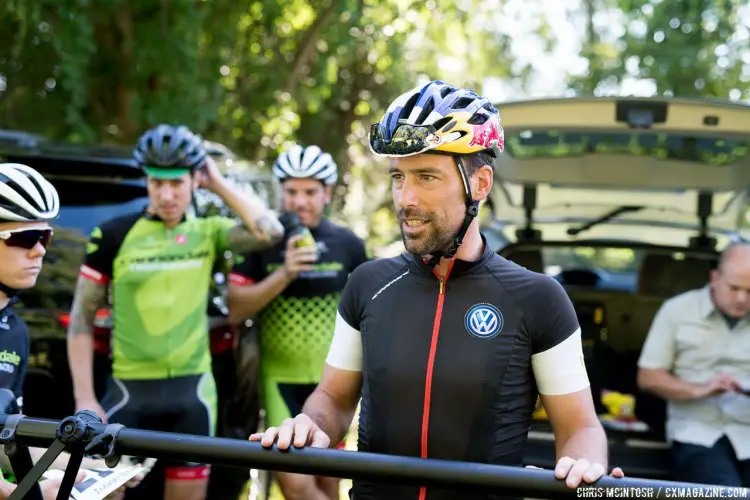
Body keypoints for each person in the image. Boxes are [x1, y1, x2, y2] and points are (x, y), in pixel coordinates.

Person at [250, 81, 625, 499]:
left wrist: (585, 466)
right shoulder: (368, 285)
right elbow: (334, 399)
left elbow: (580, 428)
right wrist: (311, 425)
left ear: (480, 184)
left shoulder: (539, 299)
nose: (405, 198)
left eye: (426, 177)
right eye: (398, 177)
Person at [67, 125, 284, 500]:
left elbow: (271, 232)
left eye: (177, 184)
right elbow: (82, 320)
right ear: (147, 182)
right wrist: (85, 398)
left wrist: (216, 181)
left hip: (193, 395)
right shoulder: (115, 234)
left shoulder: (208, 231)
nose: (167, 195)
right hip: (127, 393)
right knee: (106, 493)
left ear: (193, 181)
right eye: (156, 184)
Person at [228, 144, 368, 499]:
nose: (300, 201)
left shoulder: (348, 244)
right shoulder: (262, 243)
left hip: (335, 384)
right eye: (291, 191)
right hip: (279, 381)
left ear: (326, 194)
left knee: (328, 482)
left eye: (310, 191)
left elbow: (368, 311)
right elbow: (233, 309)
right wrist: (285, 274)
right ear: (280, 193)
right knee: (294, 484)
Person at [0, 162, 87, 499]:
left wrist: (91, 466)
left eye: (44, 236)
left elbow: (9, 441)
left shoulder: (14, 330)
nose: (40, 250)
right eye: (24, 237)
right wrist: (20, 493)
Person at [637, 243, 750, 487]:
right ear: (715, 278)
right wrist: (700, 389)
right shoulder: (677, 310)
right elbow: (648, 376)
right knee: (725, 493)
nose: (742, 298)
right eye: (734, 288)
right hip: (698, 432)